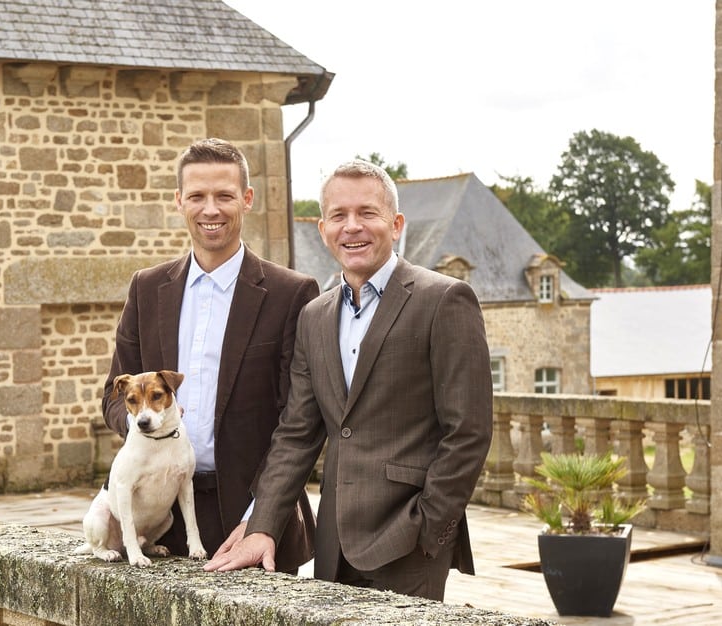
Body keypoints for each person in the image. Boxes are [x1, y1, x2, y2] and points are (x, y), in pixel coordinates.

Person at [204, 159, 493, 601]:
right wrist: (263, 526)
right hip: (333, 546)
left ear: (395, 224)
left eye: (367, 213)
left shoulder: (445, 300)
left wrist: (431, 527)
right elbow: (297, 434)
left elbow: (468, 432)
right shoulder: (314, 316)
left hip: (410, 544)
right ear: (323, 229)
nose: (352, 227)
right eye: (339, 216)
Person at [101, 138, 318, 572]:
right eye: (197, 196)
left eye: (224, 196)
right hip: (158, 516)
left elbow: (300, 420)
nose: (210, 209)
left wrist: (261, 517)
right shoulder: (146, 288)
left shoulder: (291, 293)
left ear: (247, 199)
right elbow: (113, 395)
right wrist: (146, 422)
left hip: (248, 516)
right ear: (179, 200)